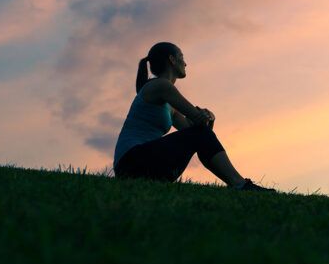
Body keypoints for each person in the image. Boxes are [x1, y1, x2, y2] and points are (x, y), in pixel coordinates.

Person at [113, 41, 275, 192]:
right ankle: (240, 184)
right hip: (132, 162)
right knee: (200, 134)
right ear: (172, 60)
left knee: (200, 134)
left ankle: (239, 184)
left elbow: (195, 131)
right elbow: (197, 121)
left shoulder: (169, 105)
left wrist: (206, 120)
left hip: (140, 164)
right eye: (181, 57)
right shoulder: (161, 86)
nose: (185, 63)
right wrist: (205, 116)